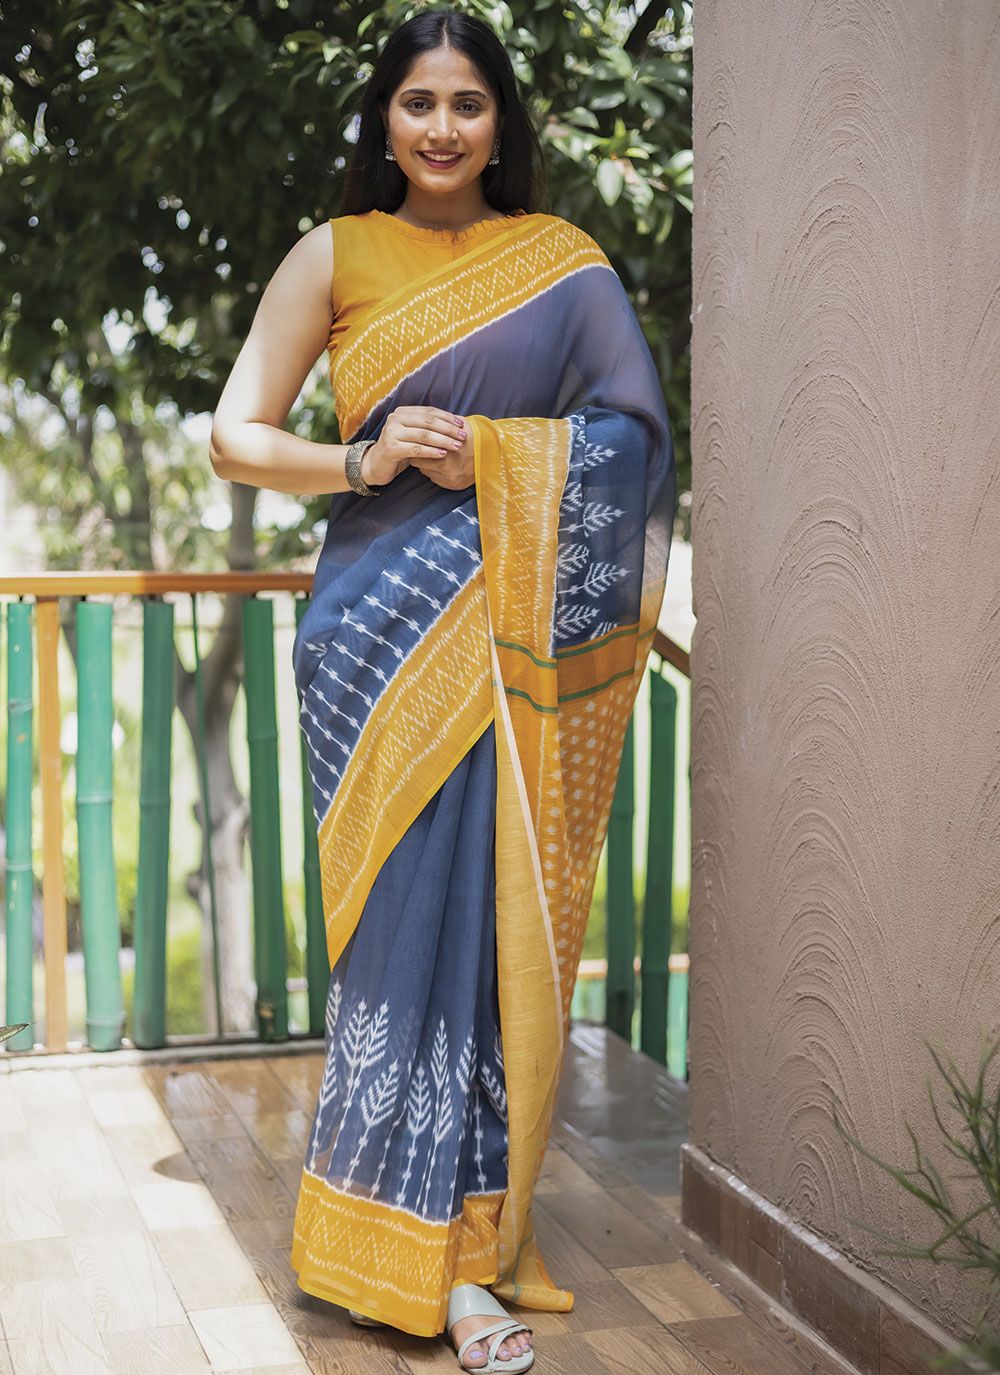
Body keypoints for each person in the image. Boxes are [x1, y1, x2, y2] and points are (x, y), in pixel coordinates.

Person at [209, 9, 676, 1371]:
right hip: (371, 643)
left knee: (480, 940)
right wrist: (362, 462)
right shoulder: (334, 253)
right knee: (394, 942)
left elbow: (636, 439)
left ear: (500, 122)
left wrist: (503, 457)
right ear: (385, 117)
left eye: (468, 103)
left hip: (506, 645)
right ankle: (377, 1239)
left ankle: (462, 1261)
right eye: (419, 102)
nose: (442, 127)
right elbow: (236, 436)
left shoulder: (563, 265)